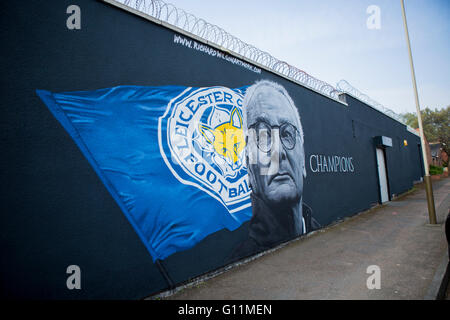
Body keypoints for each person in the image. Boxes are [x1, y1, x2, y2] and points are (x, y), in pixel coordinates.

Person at [229, 80, 320, 261]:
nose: (278, 152)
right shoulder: (240, 263)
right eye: (263, 136)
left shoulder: (322, 236)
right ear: (249, 168)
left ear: (302, 159)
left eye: (287, 134)